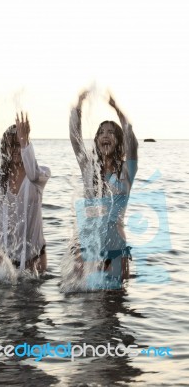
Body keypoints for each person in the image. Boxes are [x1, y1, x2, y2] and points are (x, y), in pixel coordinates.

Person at [69, 90, 138, 283]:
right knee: (83, 300)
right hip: (88, 244)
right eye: (100, 132)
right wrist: (78, 107)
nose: (104, 135)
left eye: (110, 132)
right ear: (97, 141)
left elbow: (132, 141)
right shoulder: (88, 168)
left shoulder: (126, 171)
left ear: (118, 141)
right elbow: (75, 139)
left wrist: (117, 109)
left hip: (115, 245)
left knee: (114, 303)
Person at [0, 112, 51, 273]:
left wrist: (25, 141)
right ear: (5, 149)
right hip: (3, 257)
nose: (16, 149)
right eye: (12, 145)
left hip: (34, 257)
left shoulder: (40, 176)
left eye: (20, 144)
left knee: (31, 293)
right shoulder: (0, 178)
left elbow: (31, 172)